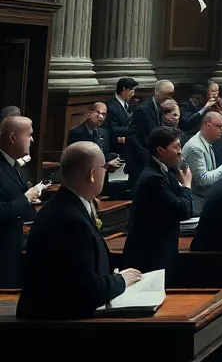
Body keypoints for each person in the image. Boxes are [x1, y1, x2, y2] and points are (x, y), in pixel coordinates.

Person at [18, 141, 142, 318]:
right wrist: (121, 280)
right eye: (104, 168)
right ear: (92, 174)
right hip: (55, 327)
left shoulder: (67, 204)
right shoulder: (70, 220)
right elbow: (85, 289)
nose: (105, 173)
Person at [122, 126, 193, 282]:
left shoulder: (166, 172)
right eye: (176, 147)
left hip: (161, 250)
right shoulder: (153, 179)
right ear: (161, 150)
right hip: (150, 255)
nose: (180, 151)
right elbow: (182, 210)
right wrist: (187, 186)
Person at [0, 115, 44, 288]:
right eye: (29, 135)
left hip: (16, 246)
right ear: (13, 137)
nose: (32, 140)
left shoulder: (17, 166)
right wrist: (26, 198)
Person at [127, 79, 175, 185]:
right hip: (141, 163)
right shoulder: (142, 110)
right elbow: (132, 136)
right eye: (168, 94)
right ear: (158, 92)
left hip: (156, 161)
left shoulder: (162, 108)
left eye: (172, 94)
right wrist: (147, 156)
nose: (170, 97)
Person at [182, 110, 222, 199]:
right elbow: (202, 180)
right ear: (208, 125)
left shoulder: (205, 141)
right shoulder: (195, 147)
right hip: (198, 199)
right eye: (220, 126)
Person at [103, 76, 137, 151]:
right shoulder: (111, 106)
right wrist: (132, 129)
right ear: (124, 89)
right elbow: (112, 129)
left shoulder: (129, 103)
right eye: (131, 89)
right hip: (117, 148)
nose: (133, 93)